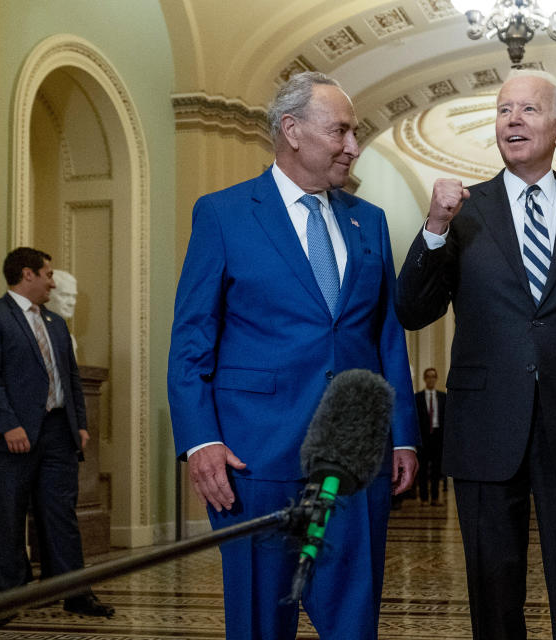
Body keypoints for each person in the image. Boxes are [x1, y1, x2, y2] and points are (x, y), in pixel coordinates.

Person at [167, 72, 419, 640]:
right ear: (292, 131)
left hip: (354, 457)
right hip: (255, 458)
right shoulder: (224, 214)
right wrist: (200, 440)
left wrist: (402, 435)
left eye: (354, 133)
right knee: (261, 621)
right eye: (341, 131)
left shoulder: (369, 220)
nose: (353, 146)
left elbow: (387, 337)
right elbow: (190, 340)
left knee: (354, 621)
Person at [395, 69, 556, 640]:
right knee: (491, 582)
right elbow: (413, 310)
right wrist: (433, 226)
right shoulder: (463, 211)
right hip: (483, 425)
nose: (513, 120)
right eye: (504, 110)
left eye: (528, 110)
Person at [0, 248, 113, 627]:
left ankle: (76, 594)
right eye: (48, 274)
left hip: (57, 434)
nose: (53, 282)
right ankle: (6, 602)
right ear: (26, 274)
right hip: (8, 439)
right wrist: (7, 425)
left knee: (61, 516)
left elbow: (69, 378)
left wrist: (79, 425)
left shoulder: (54, 322)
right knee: (8, 517)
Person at [414, 367, 446, 505]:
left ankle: (435, 497)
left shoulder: (443, 397)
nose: (431, 379)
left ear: (436, 378)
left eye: (433, 376)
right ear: (424, 379)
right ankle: (424, 498)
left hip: (438, 437)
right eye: (428, 376)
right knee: (422, 469)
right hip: (423, 438)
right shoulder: (417, 398)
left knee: (436, 469)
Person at [47, 269, 78, 355]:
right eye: (64, 295)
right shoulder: (34, 334)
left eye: (74, 296)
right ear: (47, 295)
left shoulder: (69, 338)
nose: (72, 302)